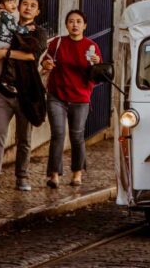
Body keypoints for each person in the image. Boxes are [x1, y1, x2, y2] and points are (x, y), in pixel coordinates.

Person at [0, 0, 48, 192]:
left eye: (32, 5)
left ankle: (22, 177)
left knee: (24, 138)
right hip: (3, 90)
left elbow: (32, 55)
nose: (27, 8)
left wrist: (6, 52)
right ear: (18, 6)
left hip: (26, 93)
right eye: (24, 3)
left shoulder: (39, 32)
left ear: (38, 11)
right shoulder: (7, 25)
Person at [42, 10, 102, 189]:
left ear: (85, 25)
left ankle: (77, 173)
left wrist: (96, 63)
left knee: (77, 137)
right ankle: (54, 175)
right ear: (66, 24)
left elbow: (98, 75)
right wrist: (46, 63)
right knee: (58, 134)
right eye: (70, 21)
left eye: (78, 21)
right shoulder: (57, 43)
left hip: (80, 98)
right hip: (57, 96)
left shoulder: (91, 46)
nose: (74, 25)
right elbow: (46, 60)